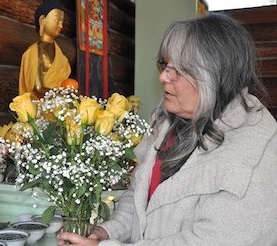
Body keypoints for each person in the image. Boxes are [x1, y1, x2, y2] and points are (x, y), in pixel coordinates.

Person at [58, 13, 277, 245]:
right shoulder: (168, 122)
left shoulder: (256, 153)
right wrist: (108, 232)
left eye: (179, 70)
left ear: (215, 76)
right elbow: (137, 197)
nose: (163, 76)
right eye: (165, 65)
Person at [19, 0, 71, 99]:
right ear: (42, 20)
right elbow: (37, 89)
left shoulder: (61, 55)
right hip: (40, 109)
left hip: (59, 109)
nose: (60, 25)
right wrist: (64, 95)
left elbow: (64, 83)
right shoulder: (33, 52)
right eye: (57, 20)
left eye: (62, 21)